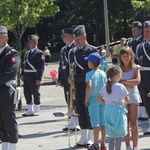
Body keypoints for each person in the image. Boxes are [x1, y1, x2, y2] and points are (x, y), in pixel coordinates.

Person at [70, 25, 97, 148]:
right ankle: (83, 136)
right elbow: (69, 66)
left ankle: (91, 137)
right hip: (77, 86)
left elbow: (91, 68)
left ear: (85, 36)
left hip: (88, 85)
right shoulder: (73, 51)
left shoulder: (91, 50)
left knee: (89, 111)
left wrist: (78, 78)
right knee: (80, 110)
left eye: (78, 39)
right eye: (75, 39)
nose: (76, 41)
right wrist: (69, 78)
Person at [98, 65, 129, 150]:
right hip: (118, 110)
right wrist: (123, 104)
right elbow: (127, 99)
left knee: (111, 134)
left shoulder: (105, 86)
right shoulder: (120, 86)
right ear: (117, 75)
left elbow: (99, 99)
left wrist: (107, 103)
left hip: (108, 110)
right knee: (119, 134)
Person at [0, 26, 20, 150]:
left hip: (6, 92)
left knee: (9, 121)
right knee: (0, 124)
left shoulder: (12, 53)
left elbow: (10, 73)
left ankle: (13, 146)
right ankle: (5, 146)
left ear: (6, 38)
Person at [57, 27, 80, 131]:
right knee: (68, 99)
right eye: (62, 36)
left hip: (73, 78)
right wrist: (60, 78)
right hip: (66, 78)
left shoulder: (76, 47)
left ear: (71, 36)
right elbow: (61, 65)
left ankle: (78, 122)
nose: (63, 38)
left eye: (65, 36)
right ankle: (71, 121)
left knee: (75, 100)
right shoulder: (63, 49)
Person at [119, 46, 141, 150]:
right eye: (123, 56)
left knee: (134, 122)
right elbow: (116, 82)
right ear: (121, 57)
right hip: (123, 98)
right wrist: (129, 83)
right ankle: (128, 146)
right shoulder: (118, 69)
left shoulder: (136, 67)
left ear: (131, 56)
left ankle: (135, 146)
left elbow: (137, 81)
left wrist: (125, 82)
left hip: (134, 96)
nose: (125, 58)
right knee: (125, 122)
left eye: (127, 56)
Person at [84, 53, 107, 150]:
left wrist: (86, 98)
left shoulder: (89, 74)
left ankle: (96, 143)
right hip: (103, 98)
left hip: (93, 98)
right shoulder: (103, 73)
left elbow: (89, 86)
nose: (87, 63)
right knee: (103, 122)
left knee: (95, 122)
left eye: (88, 61)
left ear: (91, 63)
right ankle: (103, 143)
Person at [21, 35, 45, 116]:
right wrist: (22, 75)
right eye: (29, 42)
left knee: (35, 92)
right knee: (26, 92)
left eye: (30, 42)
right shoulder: (27, 53)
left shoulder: (39, 53)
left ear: (35, 42)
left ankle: (36, 108)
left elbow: (40, 67)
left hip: (34, 75)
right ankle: (30, 109)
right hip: (26, 75)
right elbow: (24, 65)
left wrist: (38, 78)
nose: (29, 43)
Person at [136, 20, 150, 135]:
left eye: (149, 31)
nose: (147, 33)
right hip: (143, 78)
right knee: (147, 103)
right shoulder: (140, 47)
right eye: (145, 31)